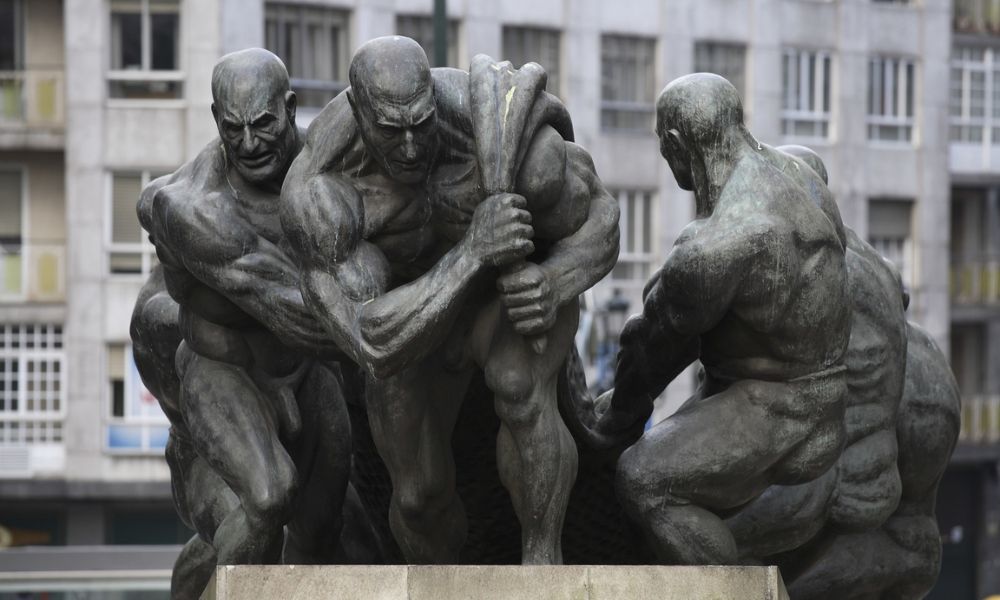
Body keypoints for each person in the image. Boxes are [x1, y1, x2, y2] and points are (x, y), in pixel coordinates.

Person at [280, 36, 619, 564]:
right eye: (393, 132)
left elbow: (600, 214)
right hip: (409, 322)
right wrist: (472, 251)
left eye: (421, 124)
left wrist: (557, 279)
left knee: (518, 385)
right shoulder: (320, 194)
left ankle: (543, 569)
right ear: (358, 111)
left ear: (434, 101)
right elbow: (373, 341)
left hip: (502, 300)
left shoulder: (498, 131)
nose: (412, 148)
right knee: (417, 498)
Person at [587, 73, 851, 565]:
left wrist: (622, 409)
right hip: (824, 396)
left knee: (644, 481)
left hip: (781, 411)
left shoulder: (717, 246)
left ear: (675, 144)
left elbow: (655, 343)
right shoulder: (802, 177)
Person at [137, 48, 353, 573]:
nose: (251, 143)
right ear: (216, 120)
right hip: (224, 371)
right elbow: (308, 314)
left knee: (324, 534)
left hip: (306, 374)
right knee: (270, 498)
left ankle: (207, 566)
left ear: (291, 107)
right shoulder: (192, 207)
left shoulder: (331, 165)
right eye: (234, 129)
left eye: (263, 124)